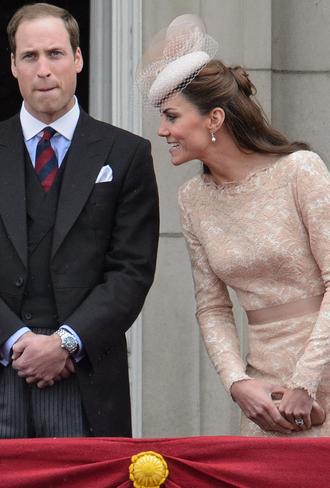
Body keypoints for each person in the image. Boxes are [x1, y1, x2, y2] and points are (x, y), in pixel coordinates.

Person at [0, 3, 159, 439]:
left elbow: (131, 270)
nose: (43, 70)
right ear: (13, 66)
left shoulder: (126, 154)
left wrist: (66, 343)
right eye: (30, 56)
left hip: (85, 376)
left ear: (78, 59)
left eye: (55, 54)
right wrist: (17, 342)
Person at [138, 14, 330, 436]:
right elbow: (212, 307)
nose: (162, 129)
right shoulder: (192, 200)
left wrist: (306, 381)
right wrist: (238, 383)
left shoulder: (300, 171)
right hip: (262, 394)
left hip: (322, 373)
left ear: (214, 119)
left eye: (171, 116)